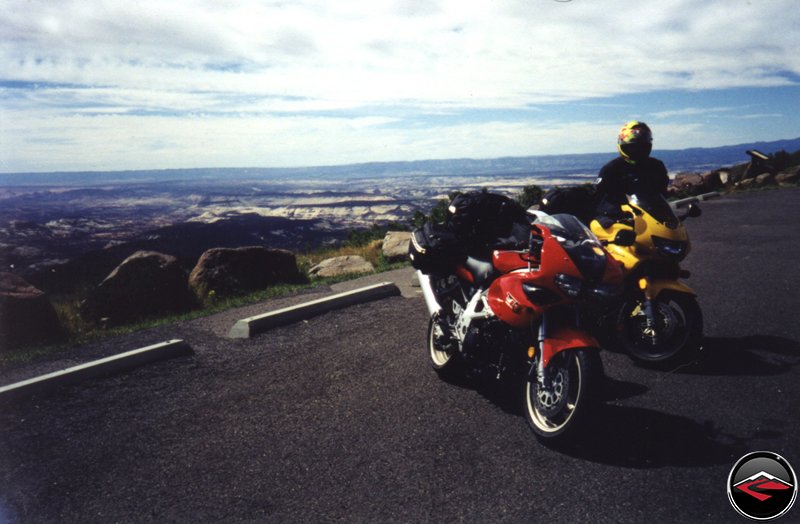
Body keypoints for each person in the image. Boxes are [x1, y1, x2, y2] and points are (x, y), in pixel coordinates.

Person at [594, 121, 669, 226]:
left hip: (653, 220)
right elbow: (601, 200)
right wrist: (612, 215)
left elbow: (661, 194)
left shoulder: (656, 166)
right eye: (633, 147)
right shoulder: (612, 168)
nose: (638, 150)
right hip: (619, 220)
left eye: (642, 147)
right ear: (623, 146)